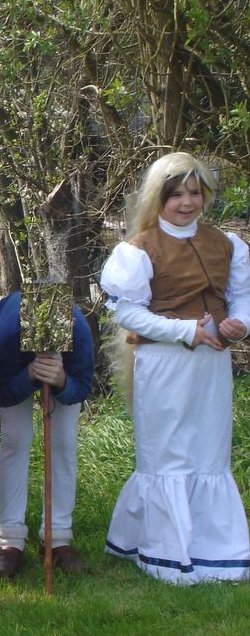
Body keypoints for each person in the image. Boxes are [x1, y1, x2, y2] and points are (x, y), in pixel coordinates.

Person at [99, 151, 250, 584]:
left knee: (208, 451)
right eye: (176, 194)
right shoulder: (138, 250)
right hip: (163, 364)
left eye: (195, 192)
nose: (187, 203)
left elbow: (241, 295)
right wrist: (185, 331)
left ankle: (213, 550)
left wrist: (238, 325)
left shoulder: (227, 244)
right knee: (167, 454)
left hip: (211, 363)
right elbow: (129, 314)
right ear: (158, 198)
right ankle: (167, 552)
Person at [0, 290, 95, 579]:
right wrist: (29, 377)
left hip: (64, 369)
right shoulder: (4, 335)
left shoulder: (78, 332)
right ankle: (10, 540)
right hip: (14, 369)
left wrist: (61, 381)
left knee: (63, 443)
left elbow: (81, 388)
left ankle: (57, 536)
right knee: (15, 440)